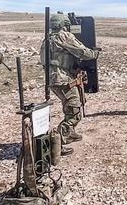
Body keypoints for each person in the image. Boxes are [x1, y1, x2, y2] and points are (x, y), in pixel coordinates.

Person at [43, 12, 101, 148]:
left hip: (53, 79)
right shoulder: (64, 36)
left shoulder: (47, 39)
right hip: (63, 79)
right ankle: (59, 142)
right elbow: (82, 52)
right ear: (64, 24)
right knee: (74, 110)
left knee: (69, 106)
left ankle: (69, 132)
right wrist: (94, 54)